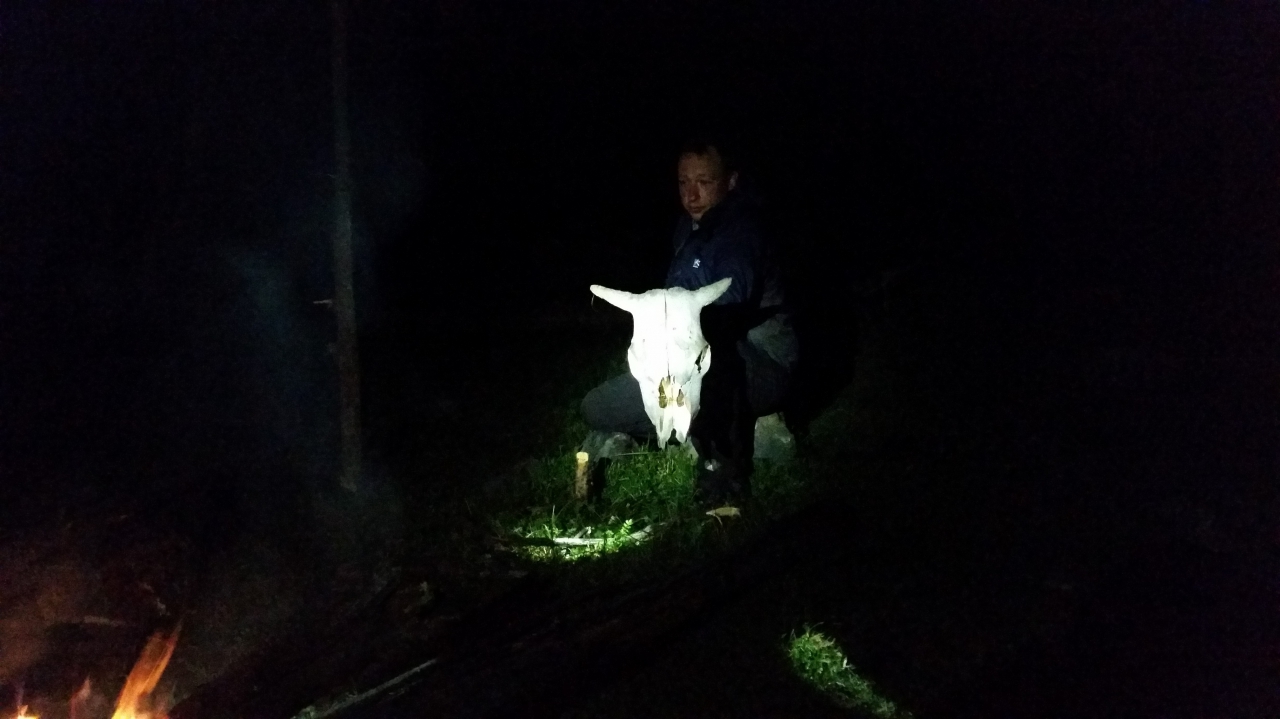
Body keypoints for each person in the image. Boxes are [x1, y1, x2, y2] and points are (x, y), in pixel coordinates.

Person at [580, 139, 798, 505]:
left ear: (730, 181)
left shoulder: (743, 229)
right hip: (688, 361)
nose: (691, 194)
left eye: (704, 182)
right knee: (597, 407)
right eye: (683, 182)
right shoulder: (688, 228)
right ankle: (687, 424)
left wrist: (680, 328)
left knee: (712, 356)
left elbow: (731, 298)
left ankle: (721, 471)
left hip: (760, 362)